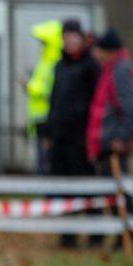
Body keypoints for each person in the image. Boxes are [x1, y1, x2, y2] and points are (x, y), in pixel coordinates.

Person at [46, 19, 100, 248]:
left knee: (88, 189)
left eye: (73, 37)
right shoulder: (59, 66)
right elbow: (54, 99)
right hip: (60, 138)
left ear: (81, 38)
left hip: (81, 139)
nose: (69, 41)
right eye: (66, 37)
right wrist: (50, 130)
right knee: (62, 189)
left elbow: (97, 103)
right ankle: (67, 236)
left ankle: (96, 234)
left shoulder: (91, 66)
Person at [87, 28, 133, 242]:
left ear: (108, 51)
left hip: (115, 144)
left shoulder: (121, 71)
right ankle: (122, 235)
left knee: (120, 192)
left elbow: (130, 107)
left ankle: (127, 235)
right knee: (112, 193)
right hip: (106, 142)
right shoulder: (109, 70)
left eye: (99, 49)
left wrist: (122, 137)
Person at [26, 19, 64, 174]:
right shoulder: (45, 61)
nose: (41, 46)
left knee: (45, 164)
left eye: (43, 42)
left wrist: (30, 87)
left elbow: (50, 89)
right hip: (40, 120)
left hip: (48, 120)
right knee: (41, 161)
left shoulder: (54, 62)